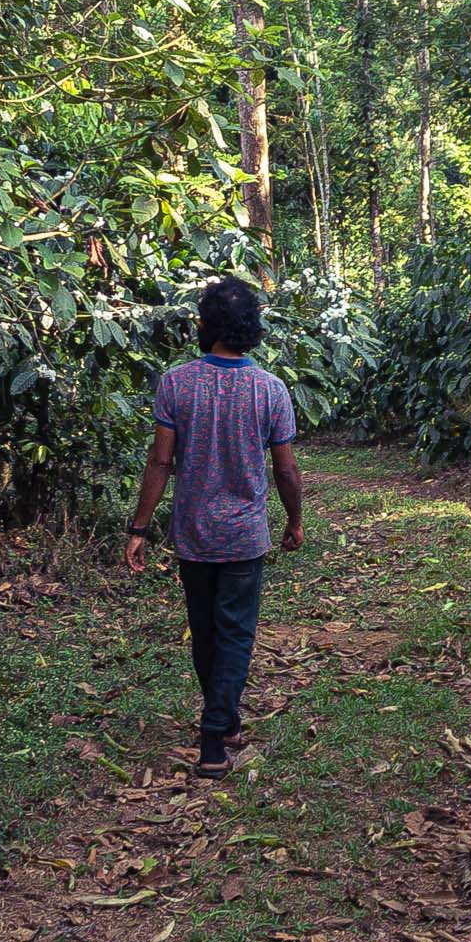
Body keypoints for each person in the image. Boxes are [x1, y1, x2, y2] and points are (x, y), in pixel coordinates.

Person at [125, 276, 304, 778]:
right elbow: (285, 469)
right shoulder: (269, 389)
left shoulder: (177, 383)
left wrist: (139, 528)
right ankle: (214, 736)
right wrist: (294, 519)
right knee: (236, 634)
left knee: (205, 632)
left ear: (206, 324)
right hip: (245, 535)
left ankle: (222, 722)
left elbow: (160, 463)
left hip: (194, 533)